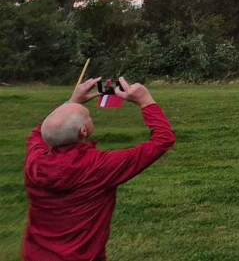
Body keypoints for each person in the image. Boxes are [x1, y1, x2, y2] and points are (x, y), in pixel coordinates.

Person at [23, 75, 175, 261]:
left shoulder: (34, 161)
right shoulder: (100, 166)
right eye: (87, 116)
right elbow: (163, 140)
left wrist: (72, 101)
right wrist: (146, 101)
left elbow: (39, 133)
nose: (89, 117)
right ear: (83, 131)